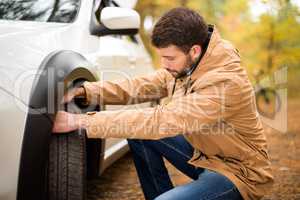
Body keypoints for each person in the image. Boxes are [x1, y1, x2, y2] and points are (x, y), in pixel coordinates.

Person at [53, 7, 273, 200]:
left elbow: (163, 120)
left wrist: (81, 121)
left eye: (169, 58)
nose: (164, 65)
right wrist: (87, 92)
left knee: (148, 125)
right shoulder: (190, 65)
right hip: (204, 155)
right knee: (138, 132)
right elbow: (141, 86)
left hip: (237, 172)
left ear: (194, 51)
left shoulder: (225, 82)